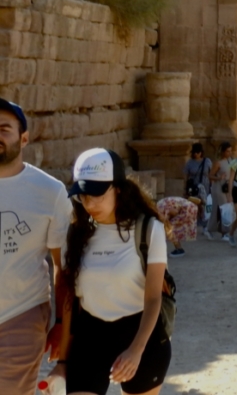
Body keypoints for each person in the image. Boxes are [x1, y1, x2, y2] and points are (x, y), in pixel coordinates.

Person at [56, 148, 170, 395]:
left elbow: (153, 298)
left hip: (141, 335)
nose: (89, 203)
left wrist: (136, 351)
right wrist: (62, 362)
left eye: (97, 194)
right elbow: (69, 302)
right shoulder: (75, 233)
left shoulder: (149, 230)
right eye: (83, 195)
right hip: (90, 337)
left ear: (118, 188)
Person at [0, 98, 72, 395]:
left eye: (4, 129)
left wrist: (60, 325)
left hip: (21, 315)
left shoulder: (50, 192)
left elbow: (63, 267)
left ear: (24, 138)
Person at [182, 143, 211, 232]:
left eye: (198, 152)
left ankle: (204, 223)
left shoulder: (207, 161)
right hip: (194, 187)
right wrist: (185, 188)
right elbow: (185, 176)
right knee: (196, 204)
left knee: (204, 204)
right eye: (194, 152)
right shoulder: (189, 163)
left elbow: (211, 174)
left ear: (201, 152)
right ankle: (197, 223)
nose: (196, 154)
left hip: (204, 186)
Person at [207, 141, 232, 238]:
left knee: (226, 209)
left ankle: (214, 229)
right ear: (222, 152)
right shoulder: (218, 163)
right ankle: (223, 232)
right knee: (222, 210)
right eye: (227, 151)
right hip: (218, 188)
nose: (229, 153)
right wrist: (219, 177)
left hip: (227, 188)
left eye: (230, 151)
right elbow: (210, 176)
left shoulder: (230, 161)